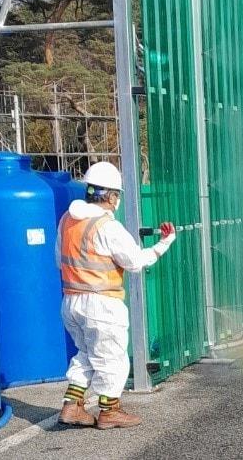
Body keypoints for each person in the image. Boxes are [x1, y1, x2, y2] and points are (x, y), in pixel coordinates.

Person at [55, 161, 176, 429]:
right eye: (116, 195)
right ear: (111, 196)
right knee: (113, 358)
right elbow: (135, 261)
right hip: (101, 303)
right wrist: (164, 244)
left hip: (71, 301)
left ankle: (72, 406)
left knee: (86, 352)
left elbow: (57, 260)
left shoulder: (67, 221)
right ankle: (109, 411)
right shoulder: (107, 227)